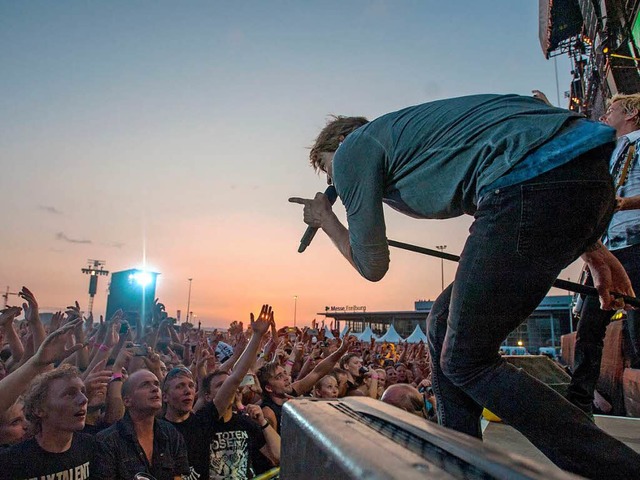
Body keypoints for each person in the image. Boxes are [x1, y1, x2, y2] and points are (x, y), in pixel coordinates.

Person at [289, 93, 640, 478]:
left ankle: (620, 470)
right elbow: (551, 162)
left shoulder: (351, 149)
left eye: (328, 171)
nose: (334, 180)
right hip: (581, 178)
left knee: (465, 358)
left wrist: (327, 219)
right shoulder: (411, 135)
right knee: (440, 321)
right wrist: (596, 254)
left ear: (336, 146)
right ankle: (461, 459)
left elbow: (372, 266)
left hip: (526, 184)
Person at [568, 93, 640, 414]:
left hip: (637, 245)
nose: (605, 115)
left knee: (637, 330)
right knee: (589, 327)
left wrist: (624, 203)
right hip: (610, 249)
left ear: (632, 113)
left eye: (611, 110)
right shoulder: (610, 153)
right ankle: (580, 399)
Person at [163, 304, 272, 480]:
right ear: (165, 396)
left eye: (191, 386)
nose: (188, 391)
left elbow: (235, 378)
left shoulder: (202, 421)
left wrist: (257, 336)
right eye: (179, 386)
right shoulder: (155, 427)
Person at [93, 369, 190, 480]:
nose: (155, 389)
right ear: (127, 401)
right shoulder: (107, 441)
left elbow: (179, 475)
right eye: (145, 385)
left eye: (157, 384)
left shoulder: (170, 432)